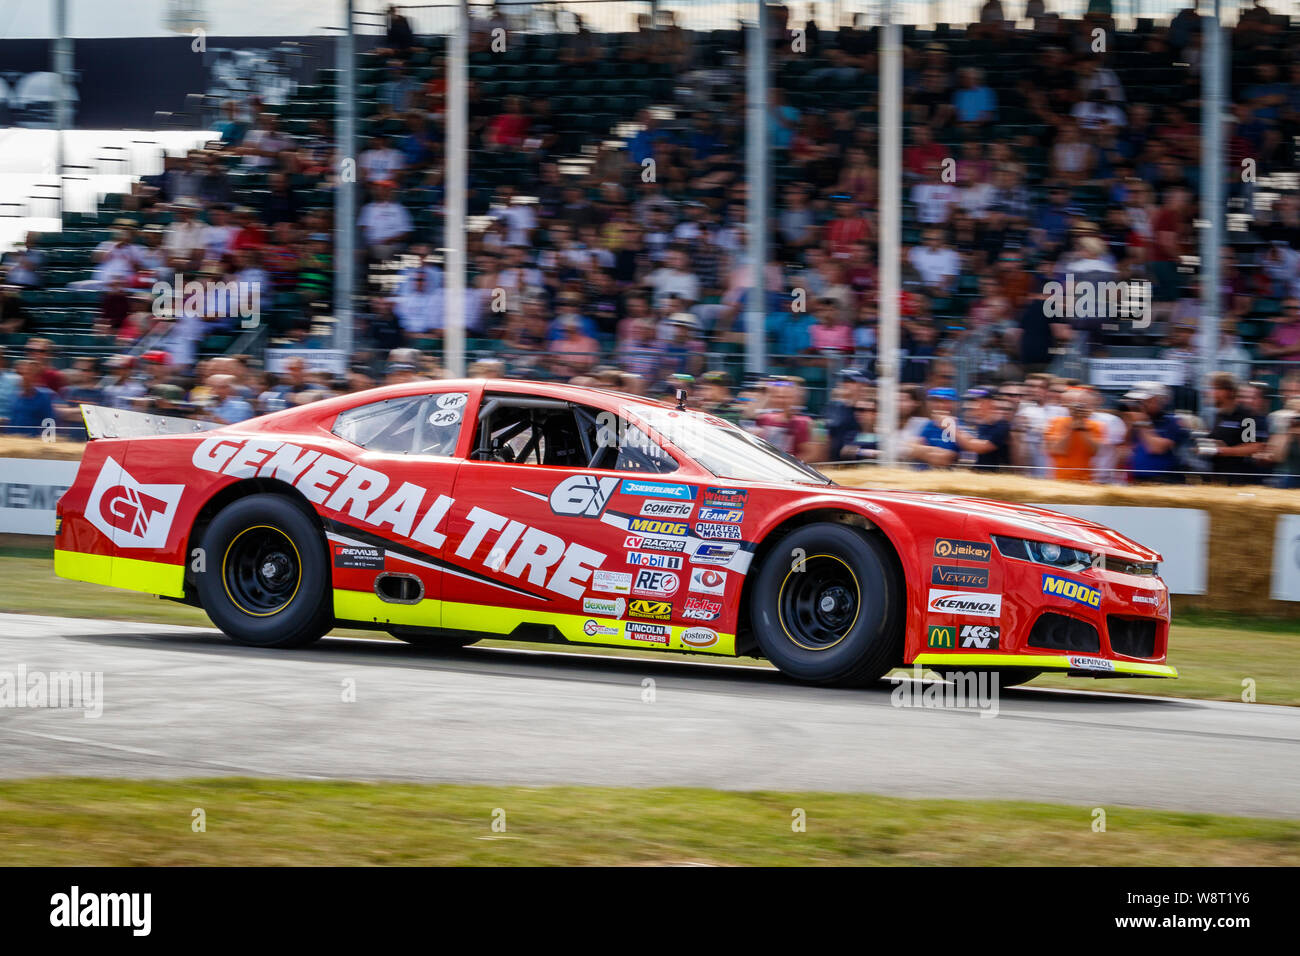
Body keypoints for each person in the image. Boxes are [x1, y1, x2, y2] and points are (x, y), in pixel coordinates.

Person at [1199, 372, 1268, 484]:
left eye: (1215, 388)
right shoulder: (1219, 415)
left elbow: (1254, 446)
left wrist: (1223, 451)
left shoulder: (1246, 416)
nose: (1210, 392)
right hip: (1219, 478)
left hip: (1239, 480)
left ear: (1229, 392)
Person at [1125, 382, 1190, 482]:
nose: (1140, 405)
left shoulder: (1173, 421)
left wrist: (1142, 423)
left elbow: (1156, 448)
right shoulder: (1134, 420)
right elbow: (1125, 446)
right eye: (1138, 401)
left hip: (1164, 480)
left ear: (1160, 400)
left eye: (1145, 401)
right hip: (1137, 480)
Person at [1045, 388, 1105, 481]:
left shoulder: (1096, 425)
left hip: (1085, 479)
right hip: (1059, 479)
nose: (1079, 408)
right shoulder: (1057, 422)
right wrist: (1071, 427)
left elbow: (1094, 451)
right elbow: (1057, 450)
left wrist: (1082, 427)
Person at [955, 387, 1012, 470]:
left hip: (996, 478)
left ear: (990, 403)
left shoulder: (1001, 426)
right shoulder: (983, 424)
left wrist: (952, 429)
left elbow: (979, 447)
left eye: (976, 401)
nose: (971, 406)